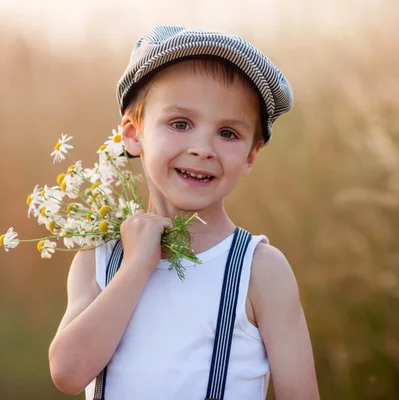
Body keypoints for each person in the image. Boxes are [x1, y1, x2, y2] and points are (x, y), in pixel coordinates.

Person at [48, 26, 319, 400]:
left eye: (228, 133)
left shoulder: (259, 270)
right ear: (133, 133)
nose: (202, 148)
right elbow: (68, 373)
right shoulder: (100, 260)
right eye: (180, 124)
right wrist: (136, 265)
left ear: (250, 156)